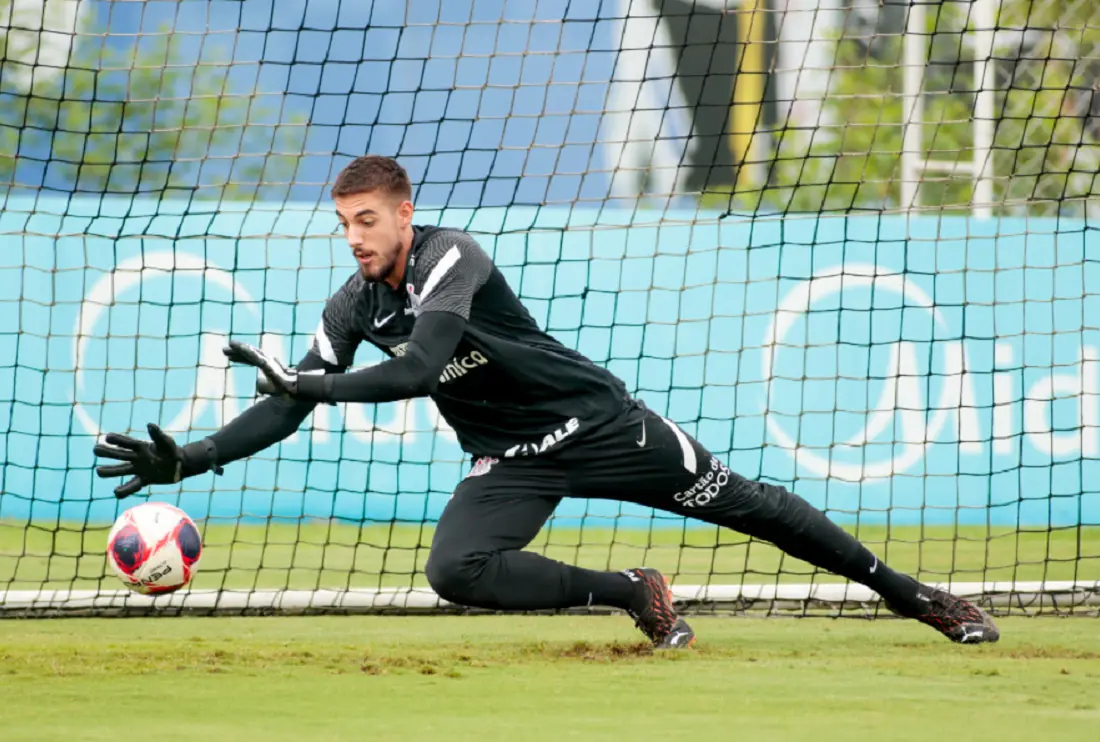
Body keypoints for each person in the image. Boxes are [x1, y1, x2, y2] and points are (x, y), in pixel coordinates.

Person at [94, 155, 999, 647]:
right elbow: (287, 405)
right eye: (344, 224)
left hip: (601, 424)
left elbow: (413, 372)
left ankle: (917, 598)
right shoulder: (353, 303)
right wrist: (197, 456)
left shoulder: (452, 257)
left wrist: (317, 385)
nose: (356, 238)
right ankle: (632, 593)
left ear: (405, 216)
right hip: (512, 461)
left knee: (754, 509)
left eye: (368, 220)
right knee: (455, 571)